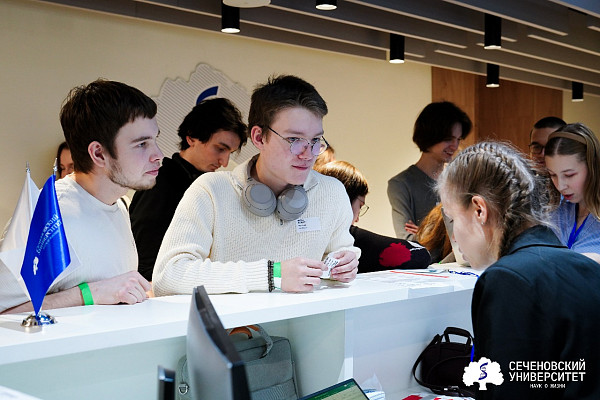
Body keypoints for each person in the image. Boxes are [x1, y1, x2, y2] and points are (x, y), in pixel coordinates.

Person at [152, 75, 359, 296]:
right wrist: (272, 274)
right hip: (232, 319)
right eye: (294, 140)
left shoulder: (332, 192)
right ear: (259, 137)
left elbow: (340, 254)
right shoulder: (211, 191)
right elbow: (168, 276)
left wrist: (345, 264)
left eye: (315, 140)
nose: (308, 154)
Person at [438, 141, 600, 399]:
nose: (454, 236)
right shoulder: (588, 269)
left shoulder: (507, 279)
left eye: (452, 218)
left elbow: (507, 390)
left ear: (479, 209)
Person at [0, 79, 162, 314]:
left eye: (155, 140)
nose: (158, 155)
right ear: (99, 154)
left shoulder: (119, 205)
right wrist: (89, 293)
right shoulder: (49, 214)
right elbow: (4, 316)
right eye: (142, 144)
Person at [129, 98, 247, 281]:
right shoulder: (161, 183)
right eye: (220, 149)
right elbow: (145, 261)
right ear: (191, 138)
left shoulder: (208, 186)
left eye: (230, 153)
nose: (224, 162)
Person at [315, 160, 431, 271]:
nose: (357, 219)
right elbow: (420, 254)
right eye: (360, 206)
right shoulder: (352, 238)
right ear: (347, 200)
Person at [387, 101, 472, 240]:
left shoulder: (461, 181)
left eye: (458, 139)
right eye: (448, 139)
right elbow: (406, 239)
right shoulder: (401, 184)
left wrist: (425, 232)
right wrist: (450, 233)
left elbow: (472, 230)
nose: (455, 146)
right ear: (430, 136)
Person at [545, 122, 600, 259]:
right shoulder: (555, 210)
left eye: (569, 175)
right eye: (553, 175)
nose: (560, 186)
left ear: (592, 166)